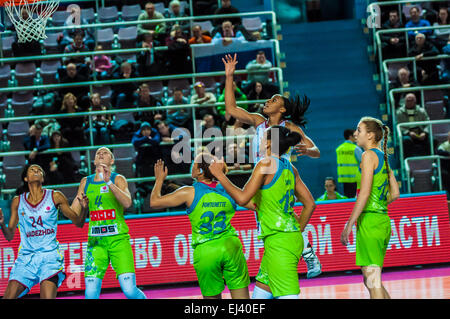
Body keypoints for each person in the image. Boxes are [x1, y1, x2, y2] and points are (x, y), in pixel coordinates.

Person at [222, 53, 322, 279]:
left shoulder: (291, 127)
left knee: (276, 216)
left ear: (283, 109)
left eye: (274, 99)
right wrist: (229, 76)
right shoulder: (259, 121)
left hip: (280, 172)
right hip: (261, 173)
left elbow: (316, 151)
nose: (268, 101)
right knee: (270, 216)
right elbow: (231, 109)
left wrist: (307, 150)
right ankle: (300, 252)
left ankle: (302, 253)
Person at [209, 126, 316, 299]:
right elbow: (310, 204)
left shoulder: (265, 164)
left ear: (268, 143)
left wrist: (220, 176)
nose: (257, 141)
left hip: (278, 241)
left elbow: (243, 199)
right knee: (260, 295)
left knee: (288, 295)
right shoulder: (289, 167)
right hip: (286, 239)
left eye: (262, 138)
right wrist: (297, 230)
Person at [149, 153, 250, 299]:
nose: (191, 166)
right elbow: (255, 205)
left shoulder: (188, 192)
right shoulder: (229, 189)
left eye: (194, 164)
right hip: (230, 246)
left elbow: (154, 202)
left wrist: (159, 180)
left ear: (199, 171)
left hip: (205, 251)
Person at [0, 164, 88, 299]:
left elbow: (79, 223)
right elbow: (10, 235)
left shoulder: (55, 196)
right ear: (25, 178)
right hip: (26, 258)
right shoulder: (18, 201)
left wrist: (84, 209)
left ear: (43, 178)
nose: (36, 171)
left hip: (49, 257)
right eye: (32, 170)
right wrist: (1, 224)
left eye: (39, 170)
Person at [70, 147, 147, 299]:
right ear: (93, 161)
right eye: (98, 153)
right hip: (96, 243)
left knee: (130, 291)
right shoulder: (86, 182)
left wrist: (108, 182)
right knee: (90, 294)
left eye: (105, 153)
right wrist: (83, 208)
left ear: (112, 161)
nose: (100, 154)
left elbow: (127, 203)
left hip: (118, 240)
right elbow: (74, 213)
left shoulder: (118, 179)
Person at [341, 117, 400, 299]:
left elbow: (364, 194)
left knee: (372, 280)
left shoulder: (368, 156)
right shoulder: (383, 157)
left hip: (370, 222)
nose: (356, 134)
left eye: (359, 130)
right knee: (372, 280)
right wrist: (379, 205)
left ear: (371, 135)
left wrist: (349, 223)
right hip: (382, 221)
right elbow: (395, 193)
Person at [396, 93, 431, 158]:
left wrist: (425, 132)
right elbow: (399, 125)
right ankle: (409, 160)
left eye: (411, 100)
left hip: (420, 132)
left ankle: (429, 161)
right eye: (407, 101)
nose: (409, 102)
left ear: (415, 101)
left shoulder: (421, 111)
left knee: (433, 140)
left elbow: (428, 123)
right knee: (406, 141)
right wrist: (408, 133)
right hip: (408, 133)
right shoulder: (399, 112)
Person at [336, 129, 359, 198]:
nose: (356, 137)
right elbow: (363, 163)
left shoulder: (339, 149)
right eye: (354, 135)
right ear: (350, 136)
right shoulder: (355, 148)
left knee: (348, 198)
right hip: (355, 178)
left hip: (344, 179)